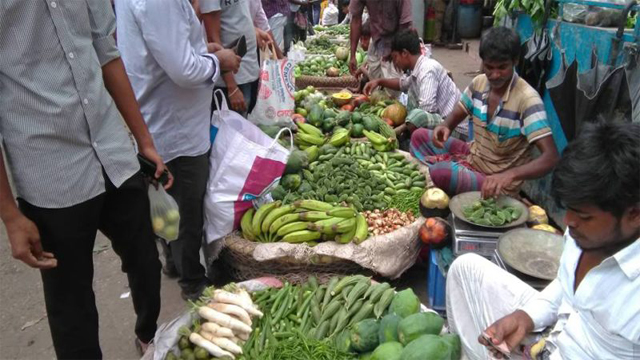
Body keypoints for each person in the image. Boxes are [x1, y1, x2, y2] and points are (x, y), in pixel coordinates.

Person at [0, 1, 173, 358]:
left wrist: (144, 141)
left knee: (145, 259)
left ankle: (148, 335)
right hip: (50, 171)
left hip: (113, 152)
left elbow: (106, 52)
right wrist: (10, 216)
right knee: (71, 303)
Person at [446, 120, 640, 360]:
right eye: (569, 209)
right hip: (552, 336)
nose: (568, 222)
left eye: (584, 216)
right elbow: (566, 289)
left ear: (634, 214)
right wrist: (525, 317)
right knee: (464, 269)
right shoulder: (584, 234)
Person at [115, 0, 241, 301]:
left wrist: (203, 50)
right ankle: (193, 283)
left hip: (159, 120)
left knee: (167, 201)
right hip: (176, 127)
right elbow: (183, 70)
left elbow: (167, 51)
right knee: (187, 210)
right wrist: (220, 61)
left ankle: (173, 262)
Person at [410, 27, 559, 197]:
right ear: (482, 62)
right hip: (474, 158)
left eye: (502, 67)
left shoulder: (528, 100)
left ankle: (444, 186)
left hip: (496, 182)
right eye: (489, 67)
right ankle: (447, 183)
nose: (495, 75)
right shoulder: (479, 83)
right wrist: (445, 126)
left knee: (441, 173)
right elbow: (458, 113)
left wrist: (509, 175)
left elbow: (551, 158)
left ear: (515, 61)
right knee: (419, 136)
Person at [364, 29, 461, 134]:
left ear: (405, 53)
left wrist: (399, 130)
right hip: (441, 122)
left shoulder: (427, 70)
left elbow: (424, 113)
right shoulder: (417, 69)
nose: (395, 63)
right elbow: (402, 84)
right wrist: (379, 81)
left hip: (453, 129)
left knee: (416, 116)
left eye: (395, 57)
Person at [200, 0, 260, 117]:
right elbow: (213, 36)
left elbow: (237, 16)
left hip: (248, 68)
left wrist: (256, 31)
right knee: (233, 130)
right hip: (232, 80)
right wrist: (232, 87)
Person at [349, 0, 412, 86]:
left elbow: (405, 25)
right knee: (375, 81)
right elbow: (356, 19)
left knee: (394, 85)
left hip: (397, 41)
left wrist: (395, 51)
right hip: (376, 40)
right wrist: (352, 55)